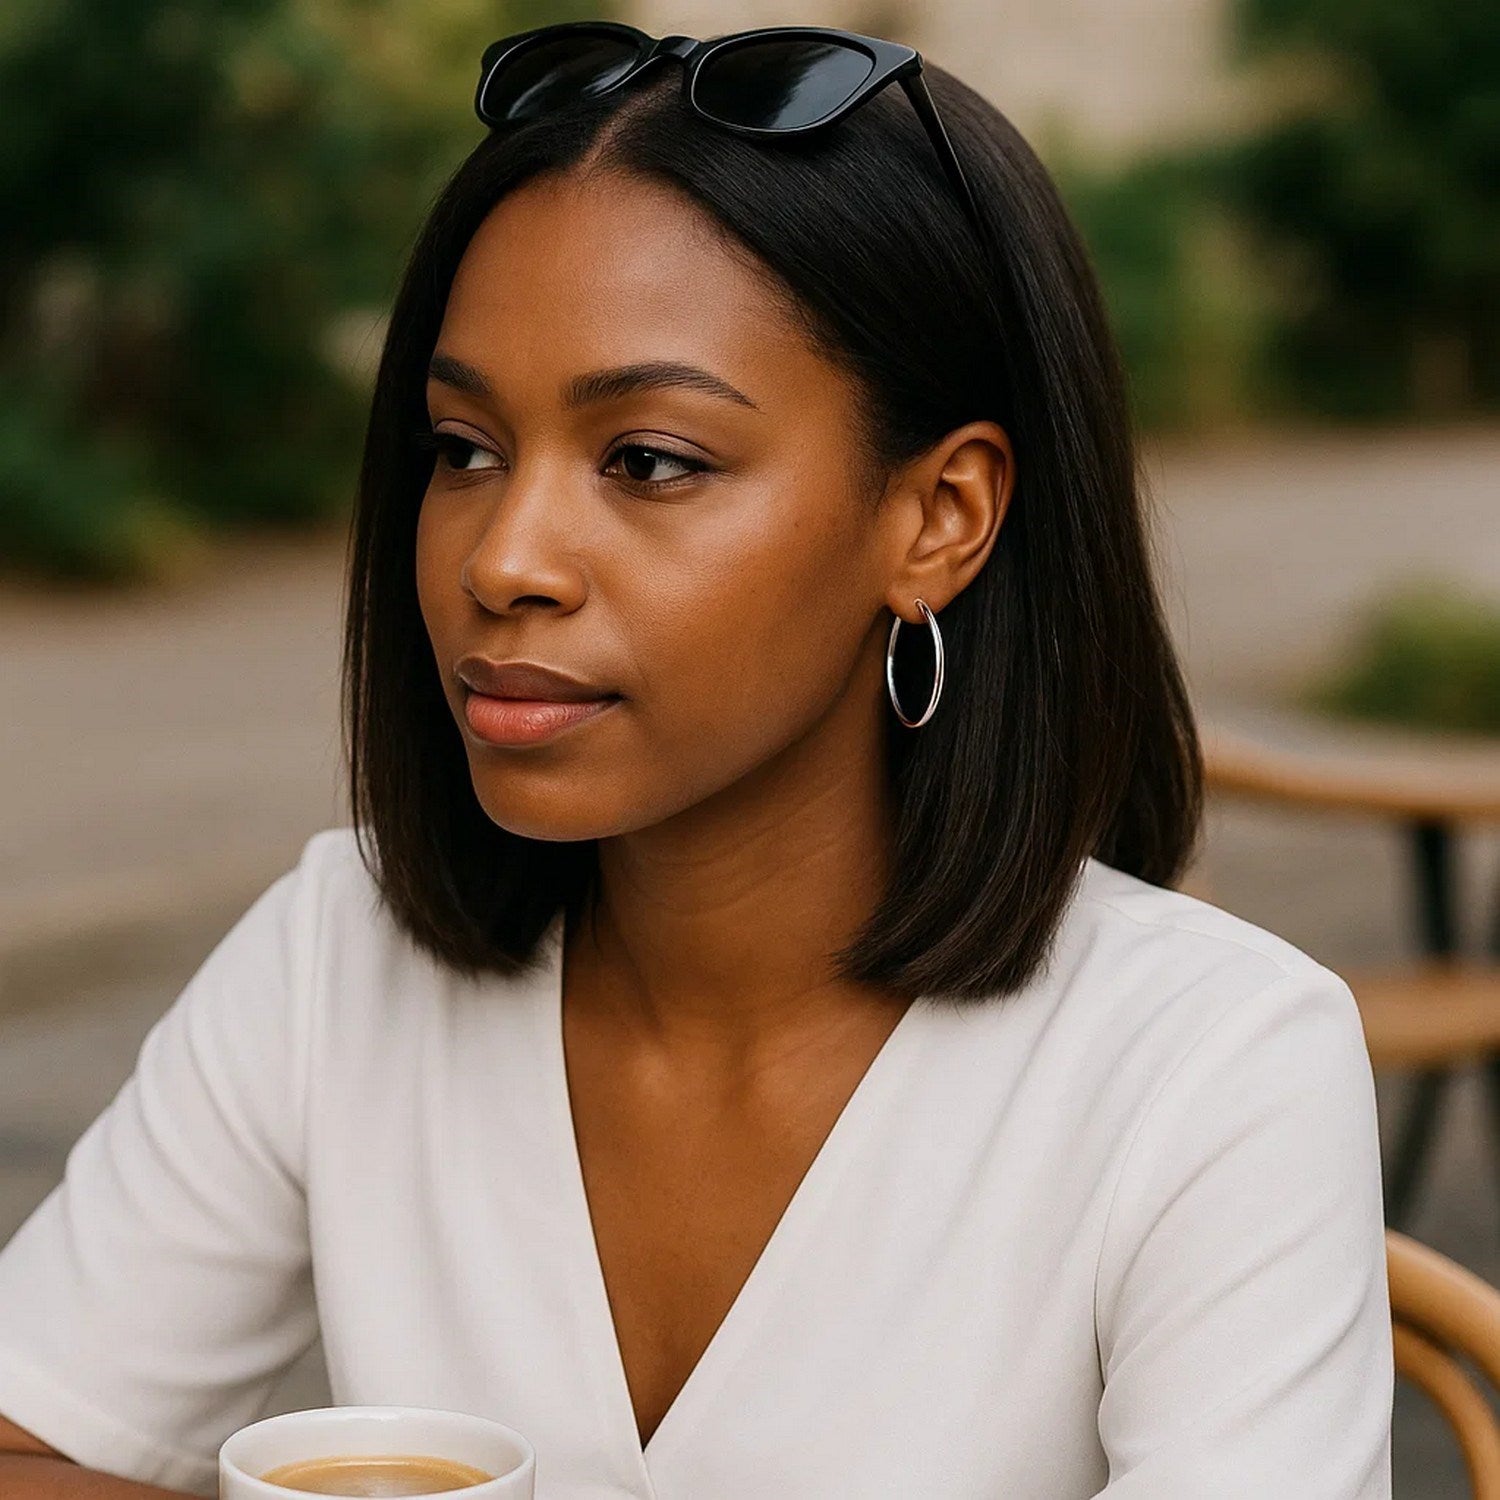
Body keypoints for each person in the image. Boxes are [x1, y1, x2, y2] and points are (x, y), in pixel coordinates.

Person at [0, 21, 1392, 1499]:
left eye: (650, 461)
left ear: (938, 519)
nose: (505, 558)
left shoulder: (1210, 1068)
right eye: (463, 447)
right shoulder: (341, 958)